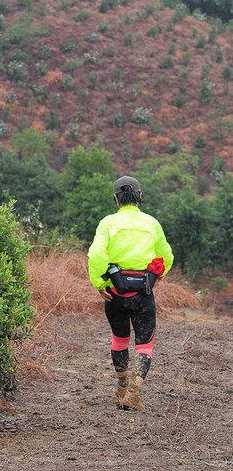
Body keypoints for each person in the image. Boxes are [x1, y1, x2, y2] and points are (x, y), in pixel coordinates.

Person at [87, 174, 173, 410]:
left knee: (120, 339)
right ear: (140, 196)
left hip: (114, 292)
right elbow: (166, 256)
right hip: (142, 293)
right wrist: (156, 277)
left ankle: (122, 386)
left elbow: (96, 255)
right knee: (144, 344)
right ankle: (134, 392)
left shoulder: (107, 223)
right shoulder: (152, 223)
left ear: (116, 198)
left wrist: (99, 283)